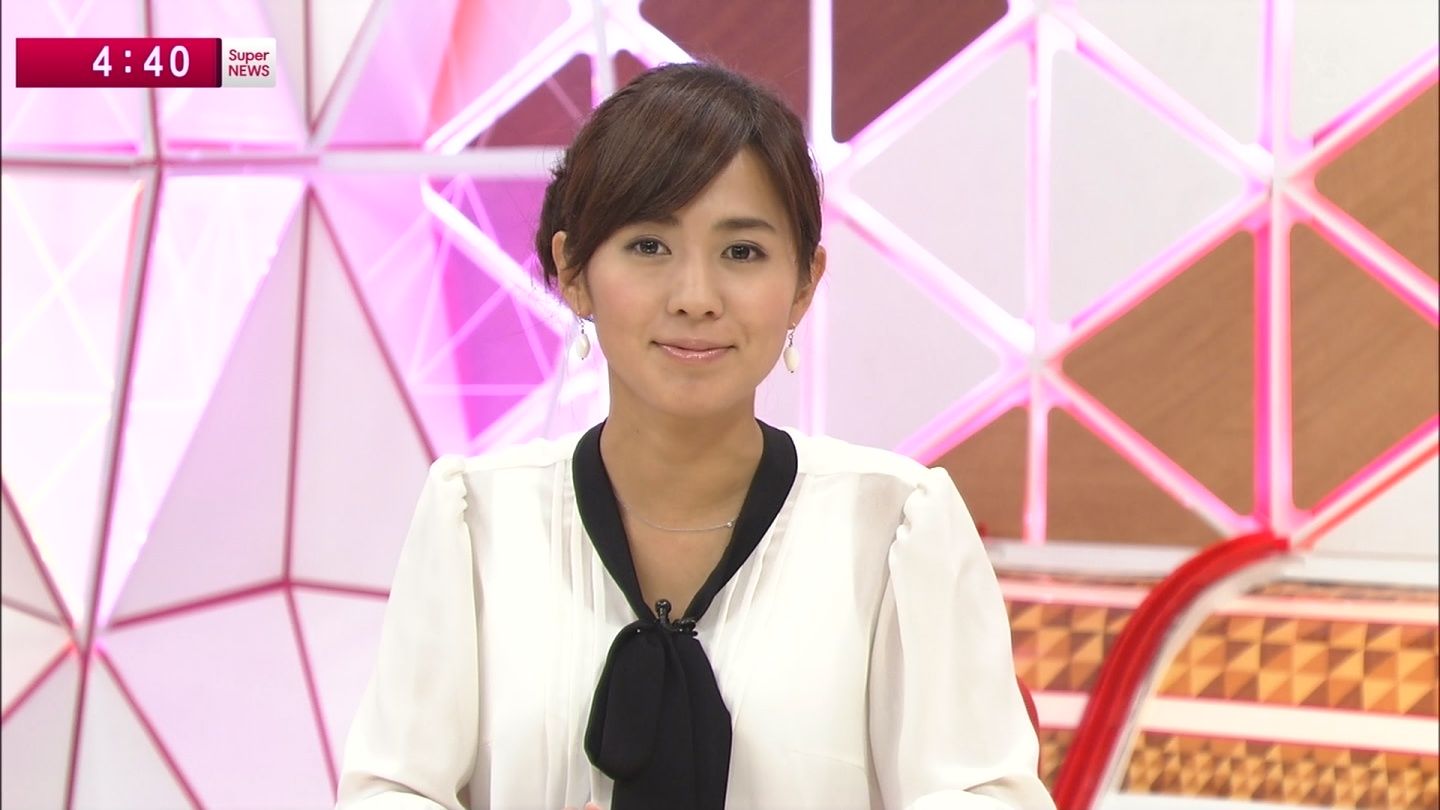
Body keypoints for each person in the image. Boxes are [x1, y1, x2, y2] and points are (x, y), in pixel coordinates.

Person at [336, 62, 1054, 810]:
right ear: (573, 271)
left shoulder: (894, 525)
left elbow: (985, 798)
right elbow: (390, 790)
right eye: (649, 246)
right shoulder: (477, 520)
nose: (696, 298)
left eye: (742, 252)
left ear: (803, 284)